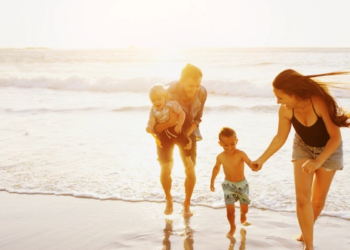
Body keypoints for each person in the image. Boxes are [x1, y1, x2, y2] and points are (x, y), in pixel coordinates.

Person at [251, 69, 350, 250]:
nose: (277, 101)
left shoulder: (319, 103)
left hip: (329, 150)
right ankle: (309, 245)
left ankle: (306, 233)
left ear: (293, 93)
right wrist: (261, 159)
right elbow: (280, 138)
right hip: (303, 146)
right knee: (302, 198)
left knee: (317, 203)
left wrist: (318, 161)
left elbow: (335, 138)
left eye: (280, 97)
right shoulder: (285, 110)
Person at [153, 63, 207, 216]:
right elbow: (155, 123)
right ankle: (169, 199)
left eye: (197, 85)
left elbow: (197, 118)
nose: (194, 89)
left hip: (187, 130)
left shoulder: (202, 92)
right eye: (191, 85)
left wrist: (187, 136)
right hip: (166, 132)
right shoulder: (167, 92)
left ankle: (187, 204)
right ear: (181, 81)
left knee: (190, 168)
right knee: (166, 168)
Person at [210, 127, 252, 239]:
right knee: (230, 210)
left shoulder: (241, 154)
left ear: (236, 141)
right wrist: (212, 181)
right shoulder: (220, 157)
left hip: (242, 185)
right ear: (220, 144)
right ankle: (232, 227)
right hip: (228, 186)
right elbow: (216, 168)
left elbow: (250, 163)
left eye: (232, 144)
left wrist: (255, 165)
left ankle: (243, 215)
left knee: (244, 209)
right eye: (225, 145)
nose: (229, 148)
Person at [146, 84, 194, 168]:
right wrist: (149, 127)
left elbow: (182, 113)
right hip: (163, 131)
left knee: (183, 141)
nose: (156, 102)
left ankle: (188, 157)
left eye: (159, 99)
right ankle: (167, 160)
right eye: (153, 100)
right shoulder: (153, 109)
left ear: (165, 97)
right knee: (164, 145)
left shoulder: (172, 105)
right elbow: (152, 120)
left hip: (175, 127)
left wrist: (179, 125)